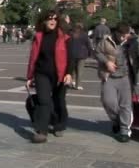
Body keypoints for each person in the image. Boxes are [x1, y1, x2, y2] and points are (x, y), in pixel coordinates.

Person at [26, 10, 73, 143]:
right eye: (49, 19)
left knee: (59, 101)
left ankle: (58, 124)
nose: (52, 21)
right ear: (44, 21)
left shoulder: (65, 37)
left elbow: (71, 57)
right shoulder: (39, 36)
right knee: (44, 101)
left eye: (55, 19)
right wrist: (29, 76)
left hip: (61, 74)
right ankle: (42, 131)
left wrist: (69, 73)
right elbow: (33, 57)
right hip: (42, 74)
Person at [95, 22, 139, 143]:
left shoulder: (132, 42)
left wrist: (134, 73)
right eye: (122, 35)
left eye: (126, 35)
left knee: (125, 105)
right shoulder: (106, 40)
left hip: (125, 77)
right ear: (116, 33)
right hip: (109, 76)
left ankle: (125, 130)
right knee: (108, 101)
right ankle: (116, 121)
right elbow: (97, 52)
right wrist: (106, 62)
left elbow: (136, 59)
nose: (124, 38)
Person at [69, 23, 93, 90]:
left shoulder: (71, 34)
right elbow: (88, 44)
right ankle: (78, 84)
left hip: (72, 53)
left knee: (73, 69)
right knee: (80, 70)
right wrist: (90, 52)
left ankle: (72, 81)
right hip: (81, 54)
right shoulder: (84, 35)